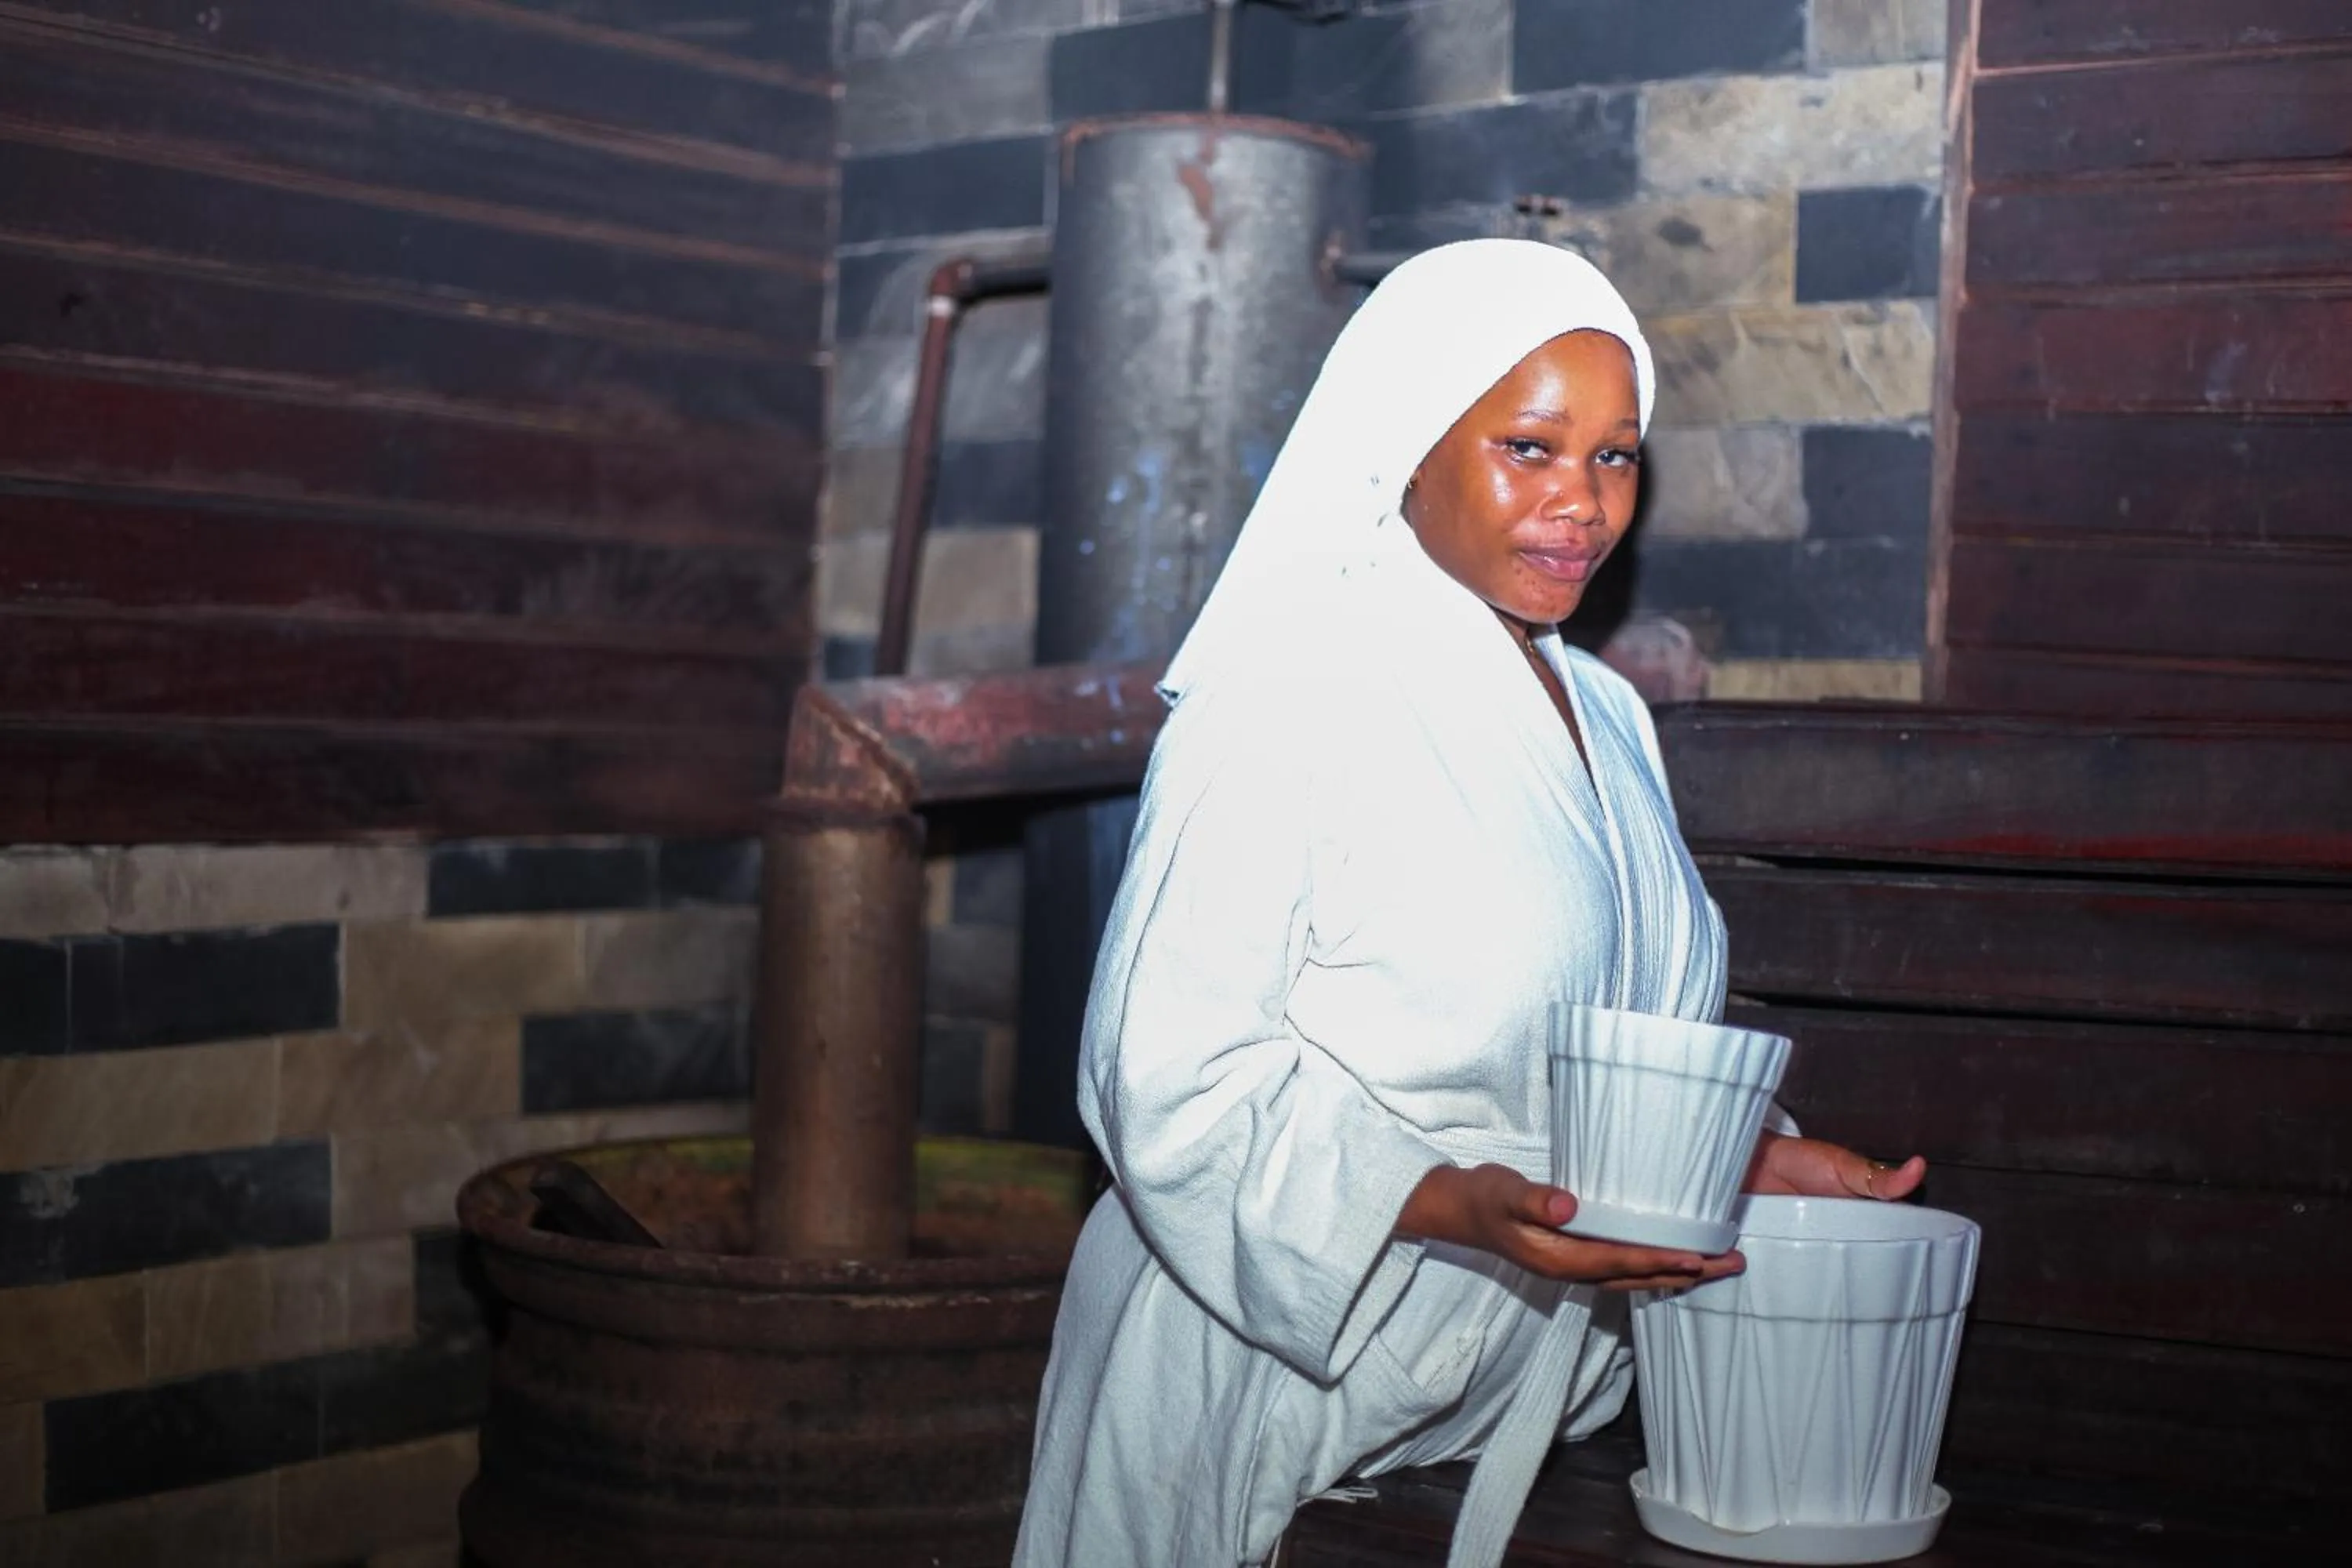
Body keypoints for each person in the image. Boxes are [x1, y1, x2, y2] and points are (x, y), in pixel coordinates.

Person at [1011, 239, 1926, 1568]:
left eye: (1615, 457)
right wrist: (1447, 1198)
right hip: (1273, 1391)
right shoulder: (1290, 689)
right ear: (1408, 444)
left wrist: (1731, 1158)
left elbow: (1581, 1029)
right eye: (1530, 448)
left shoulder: (1605, 714)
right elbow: (1168, 1077)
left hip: (1497, 1397)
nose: (1583, 503)